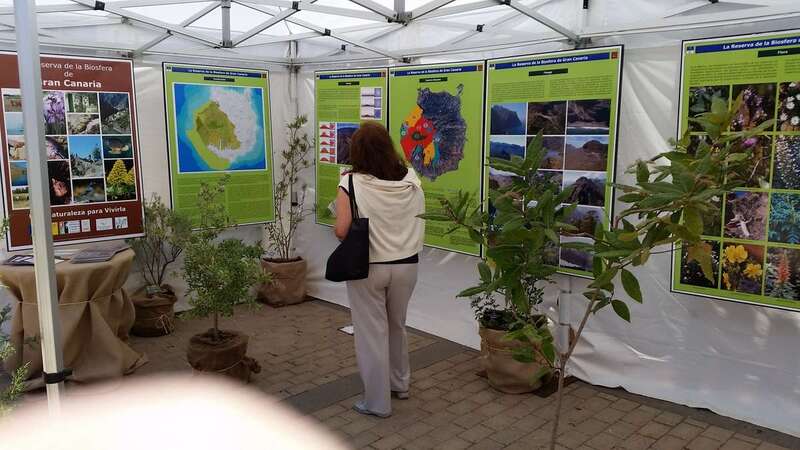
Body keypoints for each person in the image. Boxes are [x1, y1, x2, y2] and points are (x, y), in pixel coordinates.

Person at [334, 121, 425, 418]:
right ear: (388, 146)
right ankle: (401, 384)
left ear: (357, 150)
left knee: (371, 334)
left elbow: (341, 230)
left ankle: (377, 402)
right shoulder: (411, 178)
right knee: (397, 325)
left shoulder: (350, 183)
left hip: (367, 267)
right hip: (407, 265)